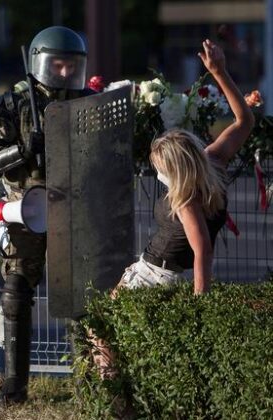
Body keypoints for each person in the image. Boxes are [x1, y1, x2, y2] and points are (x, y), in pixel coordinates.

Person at [91, 39, 254, 382]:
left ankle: (112, 394)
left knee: (100, 328)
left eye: (160, 170)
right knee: (122, 337)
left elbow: (202, 250)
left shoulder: (186, 200)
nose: (159, 175)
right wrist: (219, 72)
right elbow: (244, 120)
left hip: (155, 273)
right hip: (159, 268)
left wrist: (199, 305)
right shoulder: (213, 161)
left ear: (175, 171)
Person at [0, 26, 94, 406]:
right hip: (25, 205)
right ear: (42, 62)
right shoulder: (10, 106)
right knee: (15, 290)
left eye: (71, 65)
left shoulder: (90, 103)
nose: (65, 72)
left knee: (80, 295)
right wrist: (23, 150)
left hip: (75, 206)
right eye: (58, 65)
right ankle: (15, 385)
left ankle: (90, 383)